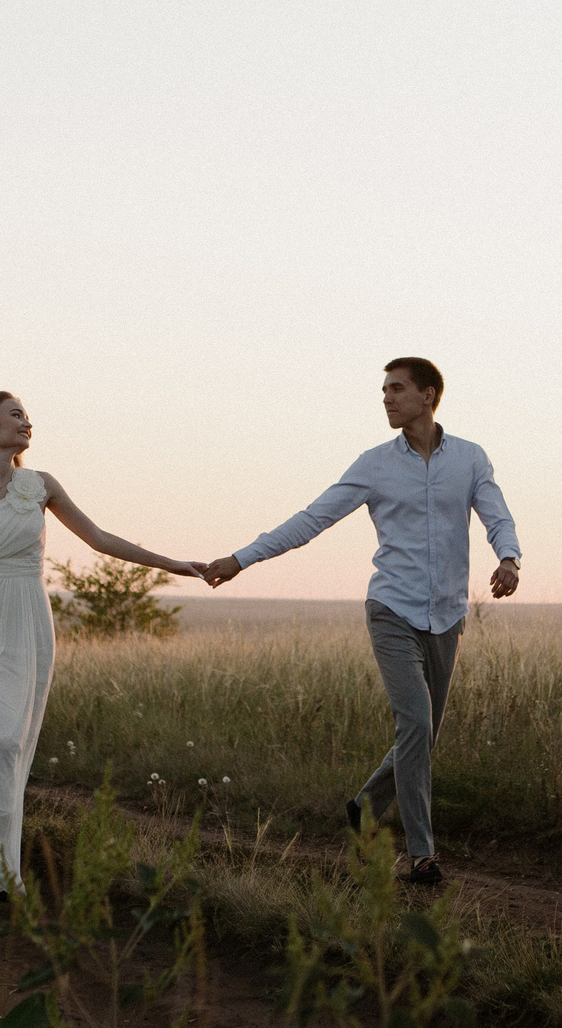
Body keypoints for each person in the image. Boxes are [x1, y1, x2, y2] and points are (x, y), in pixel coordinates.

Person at [203, 358, 520, 885]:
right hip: (392, 609)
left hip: (446, 616)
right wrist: (243, 558)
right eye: (384, 390)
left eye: (397, 389)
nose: (387, 398)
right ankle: (422, 856)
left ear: (429, 394)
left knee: (425, 734)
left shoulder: (468, 459)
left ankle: (366, 805)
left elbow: (497, 513)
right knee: (415, 724)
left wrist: (508, 557)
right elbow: (312, 519)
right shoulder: (374, 464)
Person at [0, 392, 209, 894]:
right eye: (16, 415)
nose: (27, 423)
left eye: (28, 417)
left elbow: (99, 539)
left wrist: (173, 565)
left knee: (10, 740)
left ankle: (2, 862)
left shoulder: (40, 485)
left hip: (26, 624)